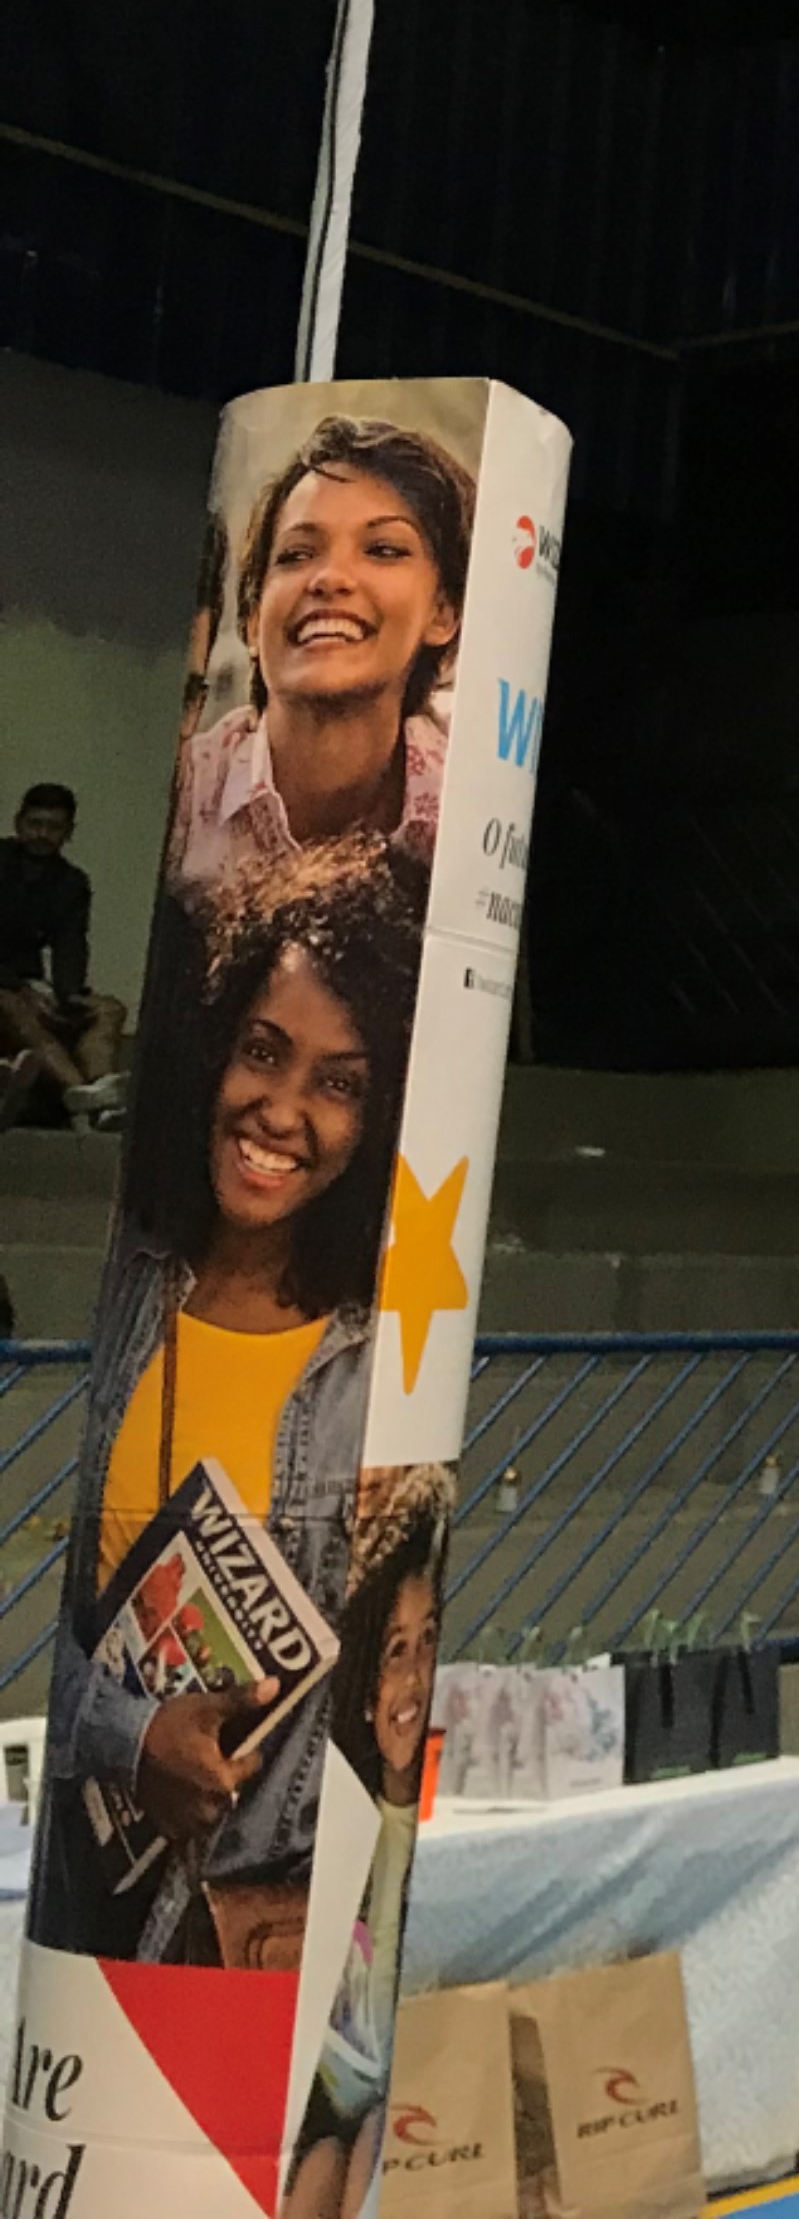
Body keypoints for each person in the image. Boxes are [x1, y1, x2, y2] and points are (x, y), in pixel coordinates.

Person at [38, 832, 422, 1970]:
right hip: (88, 1933)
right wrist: (133, 1733)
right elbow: (67, 1646)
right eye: (263, 1051)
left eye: (339, 1082)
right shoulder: (135, 1290)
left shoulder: (379, 1361)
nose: (282, 1112)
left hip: (257, 1962)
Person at [173, 417, 472, 894]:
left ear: (444, 612)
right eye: (296, 555)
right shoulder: (182, 799)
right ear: (252, 620)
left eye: (383, 550)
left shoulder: (473, 799)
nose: (330, 578)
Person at [283, 1469, 454, 2219]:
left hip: (397, 2082)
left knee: (371, 2157)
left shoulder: (429, 1808)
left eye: (427, 1642)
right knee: (325, 2167)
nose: (415, 1676)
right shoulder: (323, 1808)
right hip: (326, 2090)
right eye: (394, 1651)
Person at [0, 782, 124, 1123]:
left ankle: (101, 1088)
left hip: (29, 983)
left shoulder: (71, 882)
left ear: (68, 833)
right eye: (35, 824)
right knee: (13, 1006)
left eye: (53, 827)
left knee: (108, 1009)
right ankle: (81, 1092)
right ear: (18, 823)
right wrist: (19, 986)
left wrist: (68, 995)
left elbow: (71, 944)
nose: (42, 834)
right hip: (9, 987)